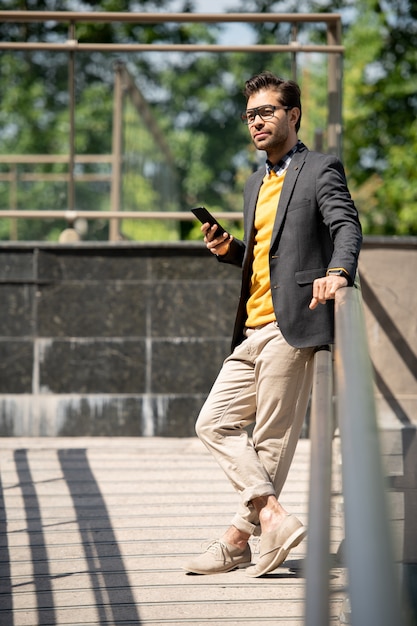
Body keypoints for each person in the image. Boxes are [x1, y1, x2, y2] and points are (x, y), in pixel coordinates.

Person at [184, 71, 362, 578]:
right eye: (250, 115)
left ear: (293, 114)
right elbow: (268, 257)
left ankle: (235, 541)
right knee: (212, 422)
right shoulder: (254, 183)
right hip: (252, 327)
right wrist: (231, 251)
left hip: (295, 325)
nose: (256, 122)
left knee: (270, 439)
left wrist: (338, 271)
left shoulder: (320, 168)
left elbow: (346, 225)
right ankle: (271, 518)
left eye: (265, 112)